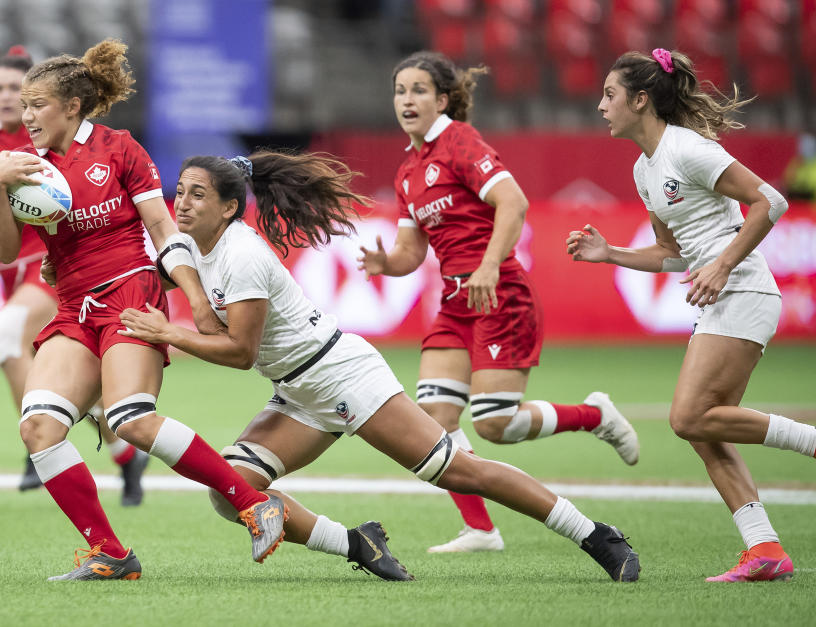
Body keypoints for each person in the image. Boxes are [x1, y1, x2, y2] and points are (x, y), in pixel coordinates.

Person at [118, 151, 641, 583]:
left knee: (458, 471)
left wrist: (170, 333)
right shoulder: (192, 246)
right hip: (299, 392)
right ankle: (357, 543)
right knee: (232, 489)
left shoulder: (244, 255)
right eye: (180, 191)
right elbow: (153, 272)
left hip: (342, 374)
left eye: (197, 194)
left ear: (231, 207)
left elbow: (240, 352)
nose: (181, 204)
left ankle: (595, 534)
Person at [0, 38, 287, 581]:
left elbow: (163, 228)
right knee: (38, 429)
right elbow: (7, 253)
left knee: (131, 420)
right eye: (22, 106)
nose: (25, 116)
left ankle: (252, 503)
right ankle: (112, 554)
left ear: (71, 106)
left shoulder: (119, 148)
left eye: (37, 105)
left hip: (130, 294)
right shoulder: (25, 169)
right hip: (75, 307)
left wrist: (193, 301)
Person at [356, 50, 640, 553]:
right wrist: (386, 264)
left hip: (500, 294)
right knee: (434, 422)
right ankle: (481, 530)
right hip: (454, 305)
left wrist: (487, 265)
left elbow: (514, 203)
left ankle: (594, 416)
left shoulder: (460, 141)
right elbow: (409, 252)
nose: (407, 99)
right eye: (400, 91)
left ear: (442, 99)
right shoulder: (407, 169)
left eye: (418, 90)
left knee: (493, 425)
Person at [567, 48, 816, 583]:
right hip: (721, 297)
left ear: (640, 99)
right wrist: (610, 254)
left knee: (688, 418)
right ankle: (764, 549)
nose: (600, 105)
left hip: (744, 290)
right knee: (703, 430)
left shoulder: (689, 149)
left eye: (610, 95)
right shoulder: (644, 169)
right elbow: (670, 253)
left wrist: (723, 265)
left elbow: (770, 200)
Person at [0, 45, 149, 505]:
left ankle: (34, 445)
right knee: (73, 382)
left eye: (17, 91)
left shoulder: (58, 140)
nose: (7, 99)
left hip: (54, 267)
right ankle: (122, 456)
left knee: (3, 333)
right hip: (10, 269)